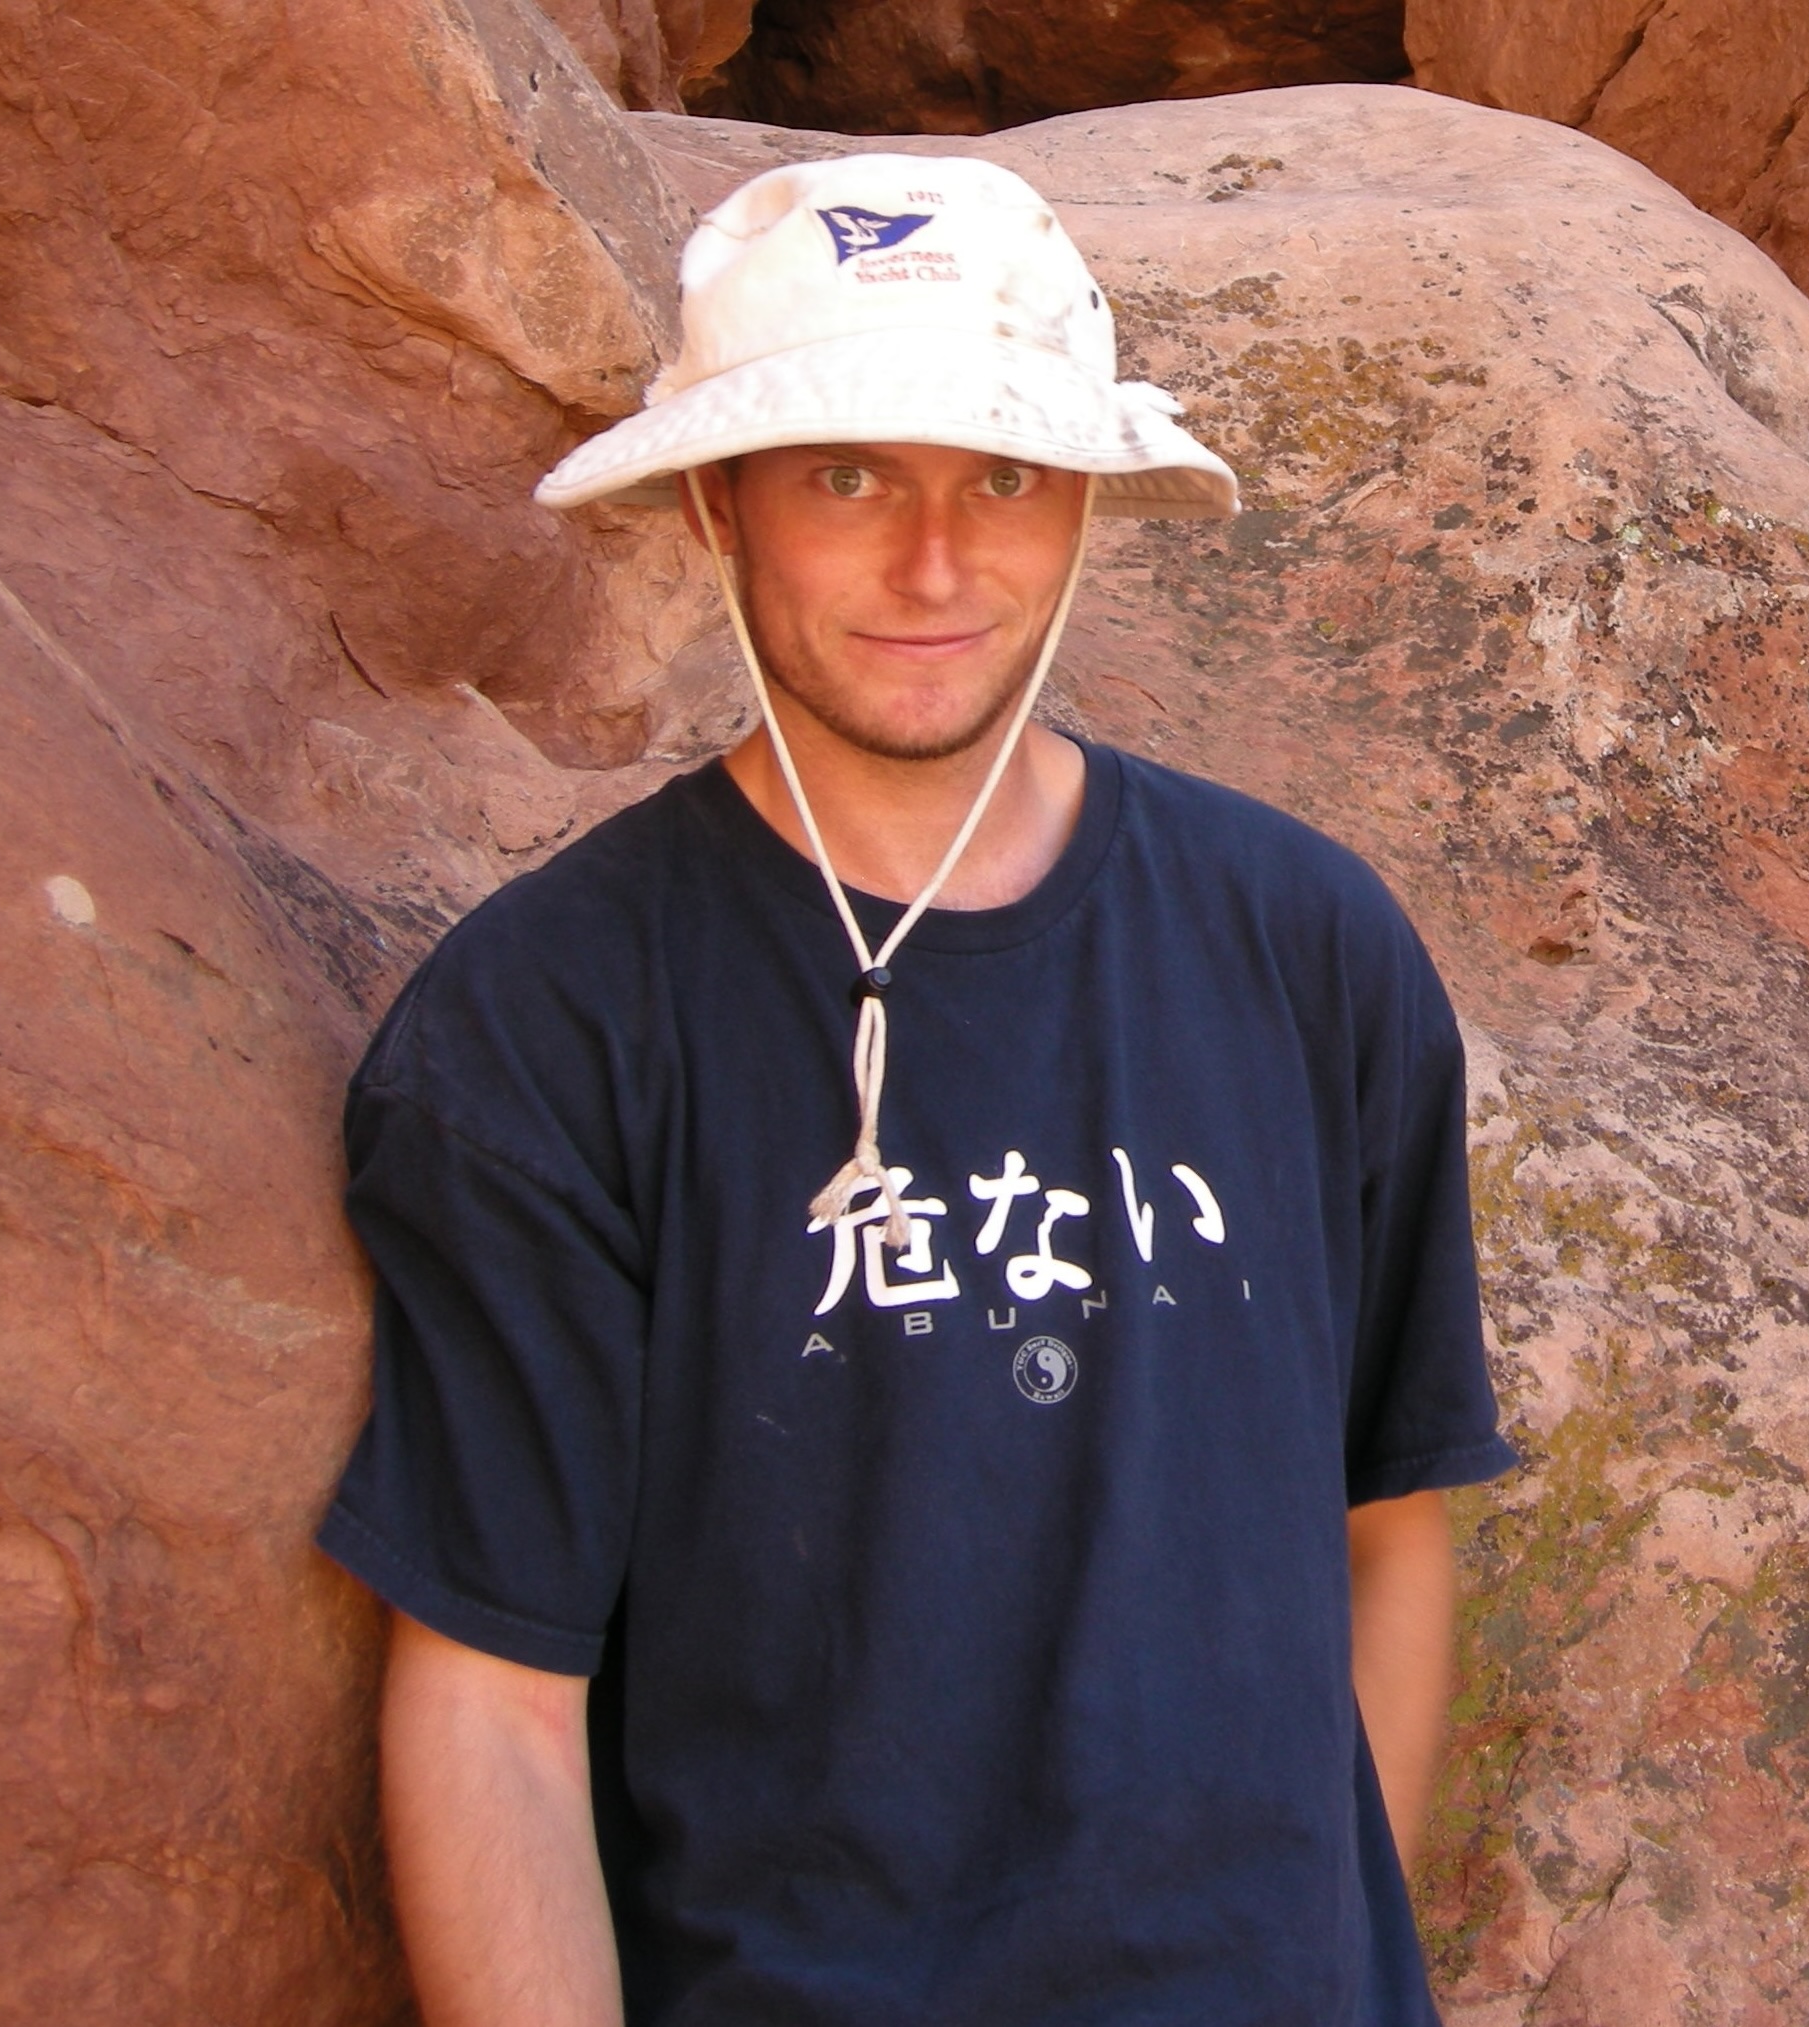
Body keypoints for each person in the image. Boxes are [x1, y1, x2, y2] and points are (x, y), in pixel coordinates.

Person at [318, 152, 1514, 2026]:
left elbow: (1388, 1529)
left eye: (1007, 477)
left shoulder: (1306, 949)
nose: (937, 564)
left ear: (1084, 509)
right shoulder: (552, 1021)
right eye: (851, 472)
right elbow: (493, 1700)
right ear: (721, 503)